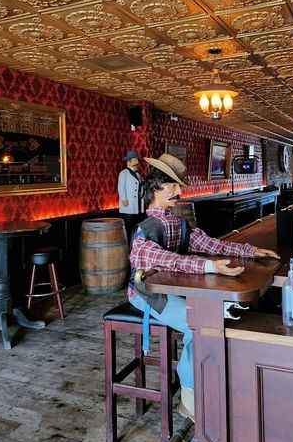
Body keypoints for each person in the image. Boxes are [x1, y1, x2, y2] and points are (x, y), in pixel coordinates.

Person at [128, 153, 279, 420]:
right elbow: (165, 259)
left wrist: (251, 250)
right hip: (146, 296)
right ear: (154, 188)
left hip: (174, 290)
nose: (179, 190)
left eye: (179, 184)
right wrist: (209, 267)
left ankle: (212, 385)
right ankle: (190, 400)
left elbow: (214, 245)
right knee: (197, 324)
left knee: (215, 316)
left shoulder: (178, 223)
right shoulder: (146, 228)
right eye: (171, 185)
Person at [117, 150, 144, 239]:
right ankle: (129, 246)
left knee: (137, 229)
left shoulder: (139, 175)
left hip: (138, 206)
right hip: (128, 207)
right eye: (135, 160)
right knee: (129, 228)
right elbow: (121, 187)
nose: (137, 163)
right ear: (129, 162)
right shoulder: (124, 173)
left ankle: (135, 244)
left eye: (137, 161)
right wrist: (124, 199)